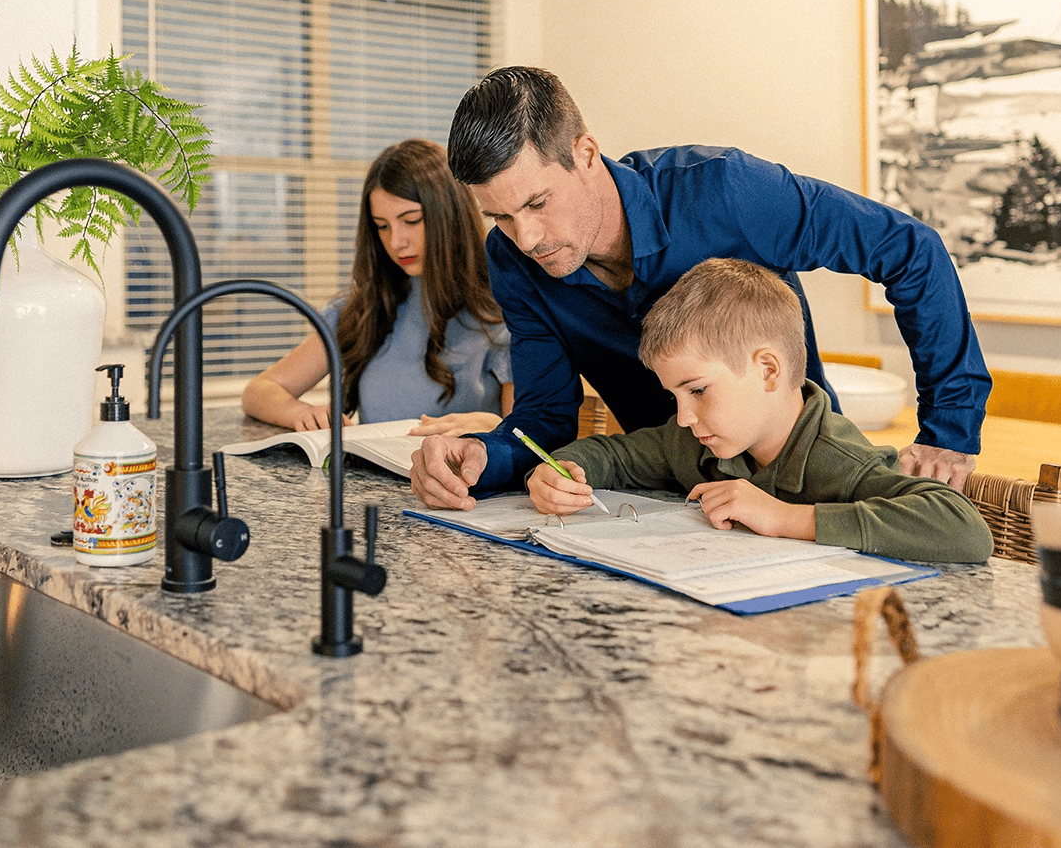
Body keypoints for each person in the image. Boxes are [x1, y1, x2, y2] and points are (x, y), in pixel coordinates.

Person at [409, 66, 991, 510]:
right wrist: (487, 457)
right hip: (667, 502)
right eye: (501, 218)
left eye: (537, 203)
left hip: (802, 480)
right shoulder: (511, 260)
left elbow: (910, 250)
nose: (527, 238)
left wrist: (949, 430)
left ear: (585, 154)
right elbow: (546, 414)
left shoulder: (727, 194)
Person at [526, 259, 993, 563]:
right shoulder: (689, 441)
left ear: (768, 370)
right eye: (675, 398)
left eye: (698, 391)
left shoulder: (839, 459)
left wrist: (787, 518)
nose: (684, 417)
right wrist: (565, 470)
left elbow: (963, 527)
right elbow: (617, 456)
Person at [242, 138, 512, 435]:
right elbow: (260, 390)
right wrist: (301, 413)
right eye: (382, 226)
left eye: (411, 221)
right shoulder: (363, 309)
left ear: (449, 217)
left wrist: (493, 426)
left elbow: (528, 436)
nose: (396, 242)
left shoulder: (504, 310)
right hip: (370, 480)